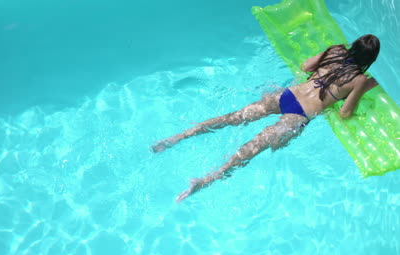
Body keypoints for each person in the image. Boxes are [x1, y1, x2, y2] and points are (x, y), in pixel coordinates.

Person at [152, 34, 381, 202]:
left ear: (353, 45)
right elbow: (345, 113)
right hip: (298, 116)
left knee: (232, 117)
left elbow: (305, 66)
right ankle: (205, 180)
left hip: (286, 96)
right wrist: (366, 87)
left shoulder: (336, 50)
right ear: (370, 59)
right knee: (254, 148)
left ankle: (180, 136)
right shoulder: (359, 80)